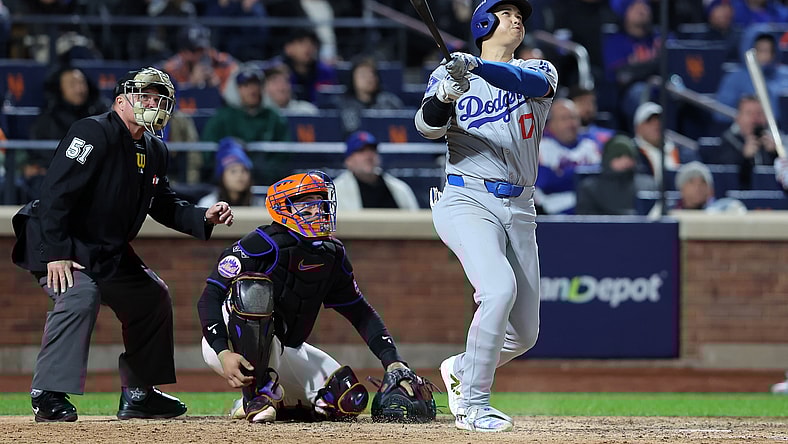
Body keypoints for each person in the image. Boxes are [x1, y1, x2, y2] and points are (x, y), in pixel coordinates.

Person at [10, 67, 235, 423]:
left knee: (151, 295)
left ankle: (139, 393)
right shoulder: (91, 131)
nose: (152, 102)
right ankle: (47, 393)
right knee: (79, 294)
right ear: (120, 101)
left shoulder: (156, 148)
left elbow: (162, 203)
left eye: (158, 97)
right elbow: (55, 195)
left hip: (106, 246)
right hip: (61, 237)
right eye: (144, 95)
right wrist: (57, 254)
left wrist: (201, 216)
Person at [415, 0, 557, 432]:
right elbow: (426, 127)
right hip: (466, 199)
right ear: (483, 22)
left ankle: (461, 368)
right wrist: (445, 95)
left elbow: (520, 80)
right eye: (507, 11)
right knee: (497, 290)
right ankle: (473, 405)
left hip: (520, 206)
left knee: (525, 333)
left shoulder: (541, 69)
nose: (517, 19)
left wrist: (473, 66)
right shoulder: (450, 74)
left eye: (520, 14)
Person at [197, 170, 428, 423]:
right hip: (229, 342)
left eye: (320, 202)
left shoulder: (332, 253)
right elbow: (210, 297)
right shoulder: (259, 244)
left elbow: (360, 312)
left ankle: (270, 398)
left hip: (285, 348)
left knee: (346, 399)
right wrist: (222, 353)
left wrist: (393, 361)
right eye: (308, 204)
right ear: (284, 208)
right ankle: (256, 395)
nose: (318, 211)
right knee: (254, 292)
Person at [201, 65, 290, 185]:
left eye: (255, 84)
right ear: (236, 89)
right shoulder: (222, 117)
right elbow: (208, 152)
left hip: (266, 181)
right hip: (228, 179)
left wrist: (266, 173)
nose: (252, 90)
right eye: (245, 85)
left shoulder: (274, 117)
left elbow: (284, 154)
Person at [535, 98, 603, 214]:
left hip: (590, 210)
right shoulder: (541, 148)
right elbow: (544, 183)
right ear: (551, 123)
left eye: (574, 118)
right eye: (564, 119)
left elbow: (601, 182)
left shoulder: (590, 146)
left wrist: (561, 174)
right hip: (551, 213)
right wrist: (580, 177)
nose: (571, 124)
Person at [332, 130, 420, 214]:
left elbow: (416, 222)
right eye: (361, 151)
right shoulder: (335, 192)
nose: (368, 156)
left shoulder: (399, 188)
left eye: (372, 150)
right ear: (348, 160)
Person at [704, 95, 778, 190]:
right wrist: (745, 157)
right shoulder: (727, 142)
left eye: (759, 113)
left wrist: (775, 154)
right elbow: (727, 177)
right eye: (749, 113)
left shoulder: (776, 141)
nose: (755, 119)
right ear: (738, 118)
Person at [715, 32, 788, 124]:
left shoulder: (785, 74)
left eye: (770, 50)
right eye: (760, 50)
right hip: (749, 132)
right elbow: (721, 113)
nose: (766, 56)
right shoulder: (735, 79)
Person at [575, 134, 657, 215]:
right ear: (607, 159)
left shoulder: (648, 185)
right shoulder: (590, 188)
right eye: (618, 156)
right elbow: (586, 221)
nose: (625, 160)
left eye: (628, 156)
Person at [632, 101, 699, 184]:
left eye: (659, 120)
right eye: (649, 121)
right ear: (638, 128)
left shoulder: (681, 152)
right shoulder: (632, 153)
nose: (656, 124)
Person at [160, 25, 238, 94]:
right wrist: (191, 84)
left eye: (203, 49)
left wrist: (219, 87)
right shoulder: (172, 68)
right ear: (183, 52)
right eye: (195, 50)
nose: (200, 54)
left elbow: (241, 86)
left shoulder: (221, 61)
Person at [336, 56, 405, 134]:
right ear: (353, 78)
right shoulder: (343, 104)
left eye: (372, 74)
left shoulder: (390, 102)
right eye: (363, 75)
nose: (369, 78)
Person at [198, 137, 264, 207]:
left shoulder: (259, 205)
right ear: (222, 176)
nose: (239, 175)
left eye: (244, 170)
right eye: (233, 171)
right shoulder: (208, 205)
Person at [672, 161, 747, 213]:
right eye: (691, 182)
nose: (698, 187)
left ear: (710, 190)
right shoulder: (670, 213)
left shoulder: (723, 210)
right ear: (681, 189)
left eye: (703, 182)